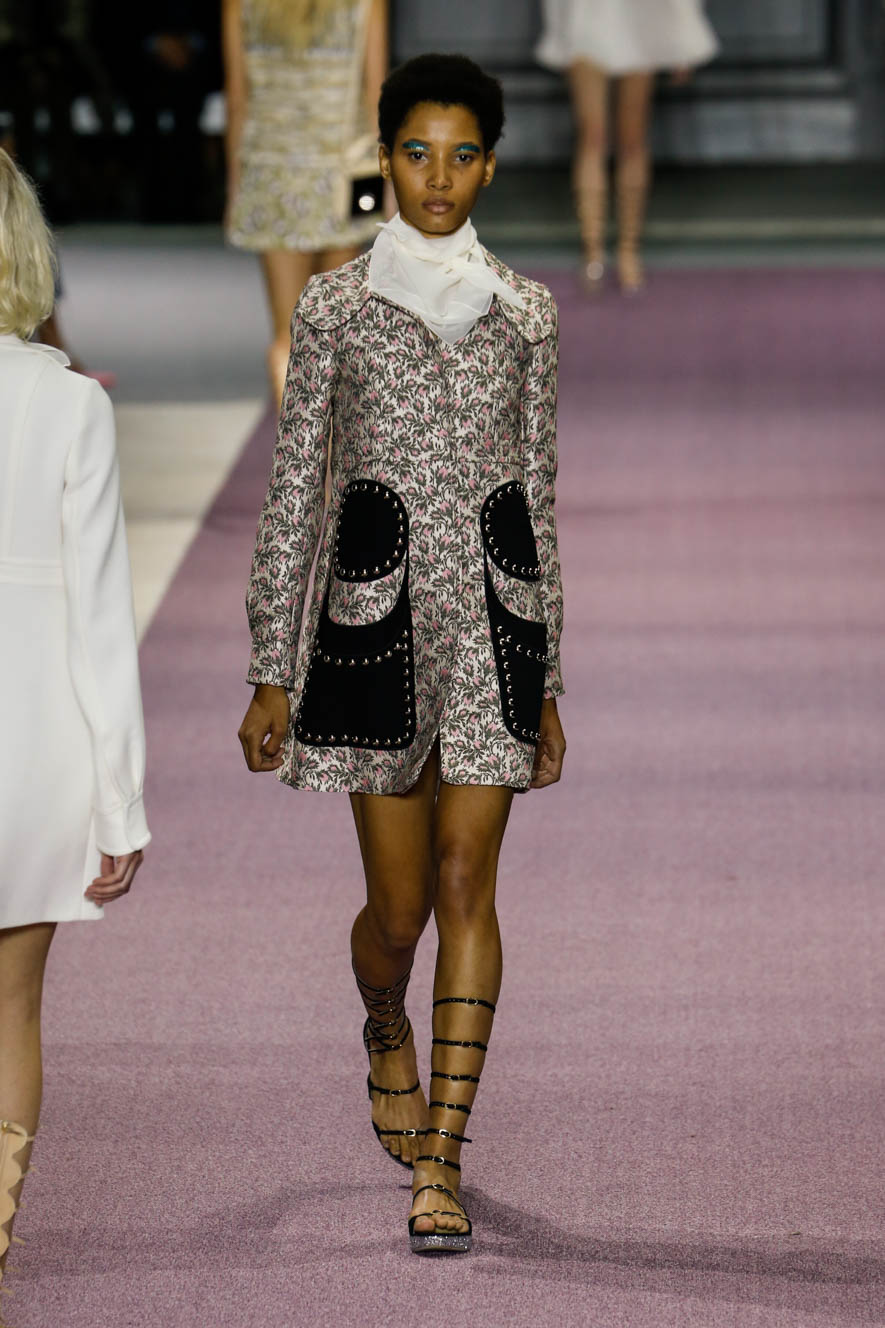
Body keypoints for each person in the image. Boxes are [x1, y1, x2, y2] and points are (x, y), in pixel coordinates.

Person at [238, 52, 566, 1254]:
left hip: (493, 631)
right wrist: (272, 666)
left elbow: (537, 502)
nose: (439, 176)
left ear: (491, 165)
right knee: (399, 907)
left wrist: (549, 683)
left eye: (462, 154)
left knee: (470, 884)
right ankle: (385, 1018)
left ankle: (443, 1159)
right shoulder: (333, 308)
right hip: (370, 631)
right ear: (385, 159)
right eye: (418, 152)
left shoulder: (527, 313)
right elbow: (296, 491)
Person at [0, 149, 149, 1304]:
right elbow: (101, 621)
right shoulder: (69, 404)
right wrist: (119, 802)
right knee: (11, 1003)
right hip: (31, 746)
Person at [224, 0, 389, 404]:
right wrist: (387, 186)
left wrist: (235, 188)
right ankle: (329, 439)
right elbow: (376, 99)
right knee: (334, 334)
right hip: (343, 176)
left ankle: (299, 439)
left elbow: (238, 101)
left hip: (272, 176)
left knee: (288, 337)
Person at [536, 0, 719, 292]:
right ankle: (594, 251)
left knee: (630, 140)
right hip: (587, 20)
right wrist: (559, 31)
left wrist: (683, 36)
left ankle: (628, 250)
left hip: (639, 21)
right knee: (593, 136)